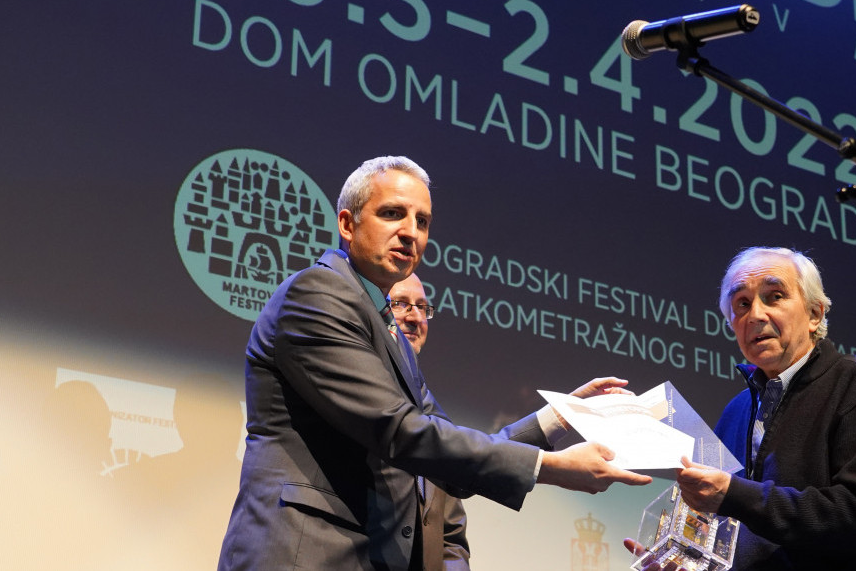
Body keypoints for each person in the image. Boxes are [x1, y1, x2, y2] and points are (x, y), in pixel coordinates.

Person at [217, 155, 651, 571]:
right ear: (347, 224)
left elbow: (449, 466)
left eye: (422, 221)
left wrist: (560, 416)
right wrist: (549, 468)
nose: (411, 232)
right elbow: (399, 431)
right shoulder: (317, 294)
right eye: (393, 214)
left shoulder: (391, 336)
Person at [627, 247, 856, 570]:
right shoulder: (735, 412)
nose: (755, 315)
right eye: (742, 304)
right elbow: (723, 540)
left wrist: (736, 495)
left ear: (815, 314)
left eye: (774, 297)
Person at [389, 272, 469, 571]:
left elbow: (450, 538)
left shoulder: (432, 414)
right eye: (400, 304)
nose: (414, 317)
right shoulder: (356, 395)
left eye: (422, 307)